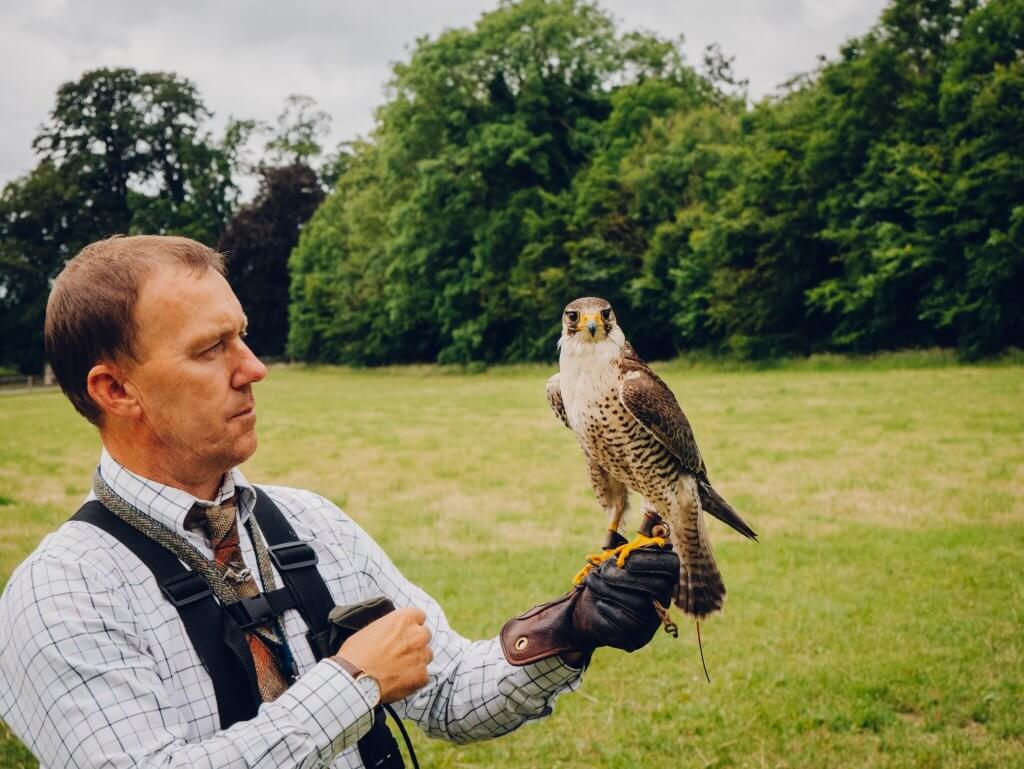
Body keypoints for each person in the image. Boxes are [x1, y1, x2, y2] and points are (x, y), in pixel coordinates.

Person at [0, 236, 677, 768]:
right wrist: (353, 683)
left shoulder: (307, 525)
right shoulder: (61, 594)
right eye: (211, 348)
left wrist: (572, 626)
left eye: (242, 334)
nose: (253, 366)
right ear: (115, 390)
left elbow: (445, 693)